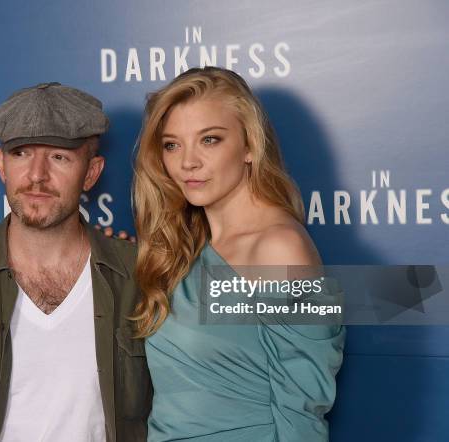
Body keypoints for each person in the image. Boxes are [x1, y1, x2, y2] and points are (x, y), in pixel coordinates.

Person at [0, 82, 152, 442]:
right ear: (1, 165)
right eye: (21, 154)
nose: (37, 175)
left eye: (59, 157)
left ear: (92, 173)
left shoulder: (140, 278)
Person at [132, 67, 345, 441]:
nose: (188, 162)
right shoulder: (185, 246)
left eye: (209, 140)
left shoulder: (278, 248)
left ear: (249, 146)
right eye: (172, 144)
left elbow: (302, 409)